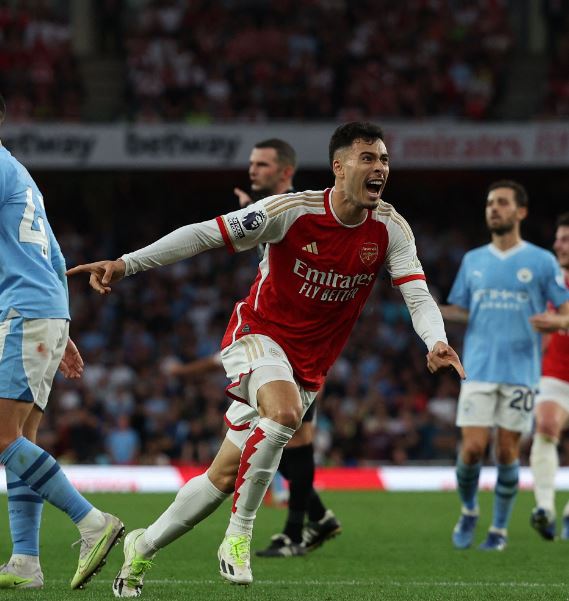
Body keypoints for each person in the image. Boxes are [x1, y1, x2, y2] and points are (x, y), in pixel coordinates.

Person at [67, 121, 465, 596]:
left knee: (221, 475)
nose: (379, 168)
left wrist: (434, 341)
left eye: (384, 160)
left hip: (309, 364)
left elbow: (417, 295)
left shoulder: (390, 229)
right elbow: (203, 235)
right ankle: (239, 535)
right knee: (285, 413)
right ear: (339, 168)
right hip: (257, 335)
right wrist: (127, 263)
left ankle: (142, 546)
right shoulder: (290, 211)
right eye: (368, 158)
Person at [167, 138, 342, 558]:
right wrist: (250, 207)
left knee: (291, 442)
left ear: (285, 171)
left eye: (261, 164)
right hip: (280, 344)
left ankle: (301, 529)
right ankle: (312, 523)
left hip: (299, 346)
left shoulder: (295, 211)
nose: (252, 169)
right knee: (283, 440)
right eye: (251, 163)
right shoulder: (270, 211)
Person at [0, 94, 124, 590]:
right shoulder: (19, 171)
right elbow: (53, 253)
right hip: (41, 310)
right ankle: (26, 564)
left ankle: (92, 522)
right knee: (19, 441)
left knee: (3, 438)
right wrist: (62, 326)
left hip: (21, 312)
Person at [441, 180, 569, 552]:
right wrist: (429, 308)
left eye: (501, 203)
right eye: (489, 203)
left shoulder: (542, 262)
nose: (493, 209)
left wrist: (556, 323)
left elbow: (565, 314)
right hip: (477, 368)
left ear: (521, 212)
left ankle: (499, 530)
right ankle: (468, 510)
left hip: (521, 373)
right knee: (472, 450)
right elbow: (464, 310)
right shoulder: (473, 260)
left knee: (508, 452)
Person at [528, 212, 569, 540]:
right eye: (557, 238)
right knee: (546, 426)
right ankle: (545, 508)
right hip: (555, 375)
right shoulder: (547, 281)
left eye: (565, 239)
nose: (558, 244)